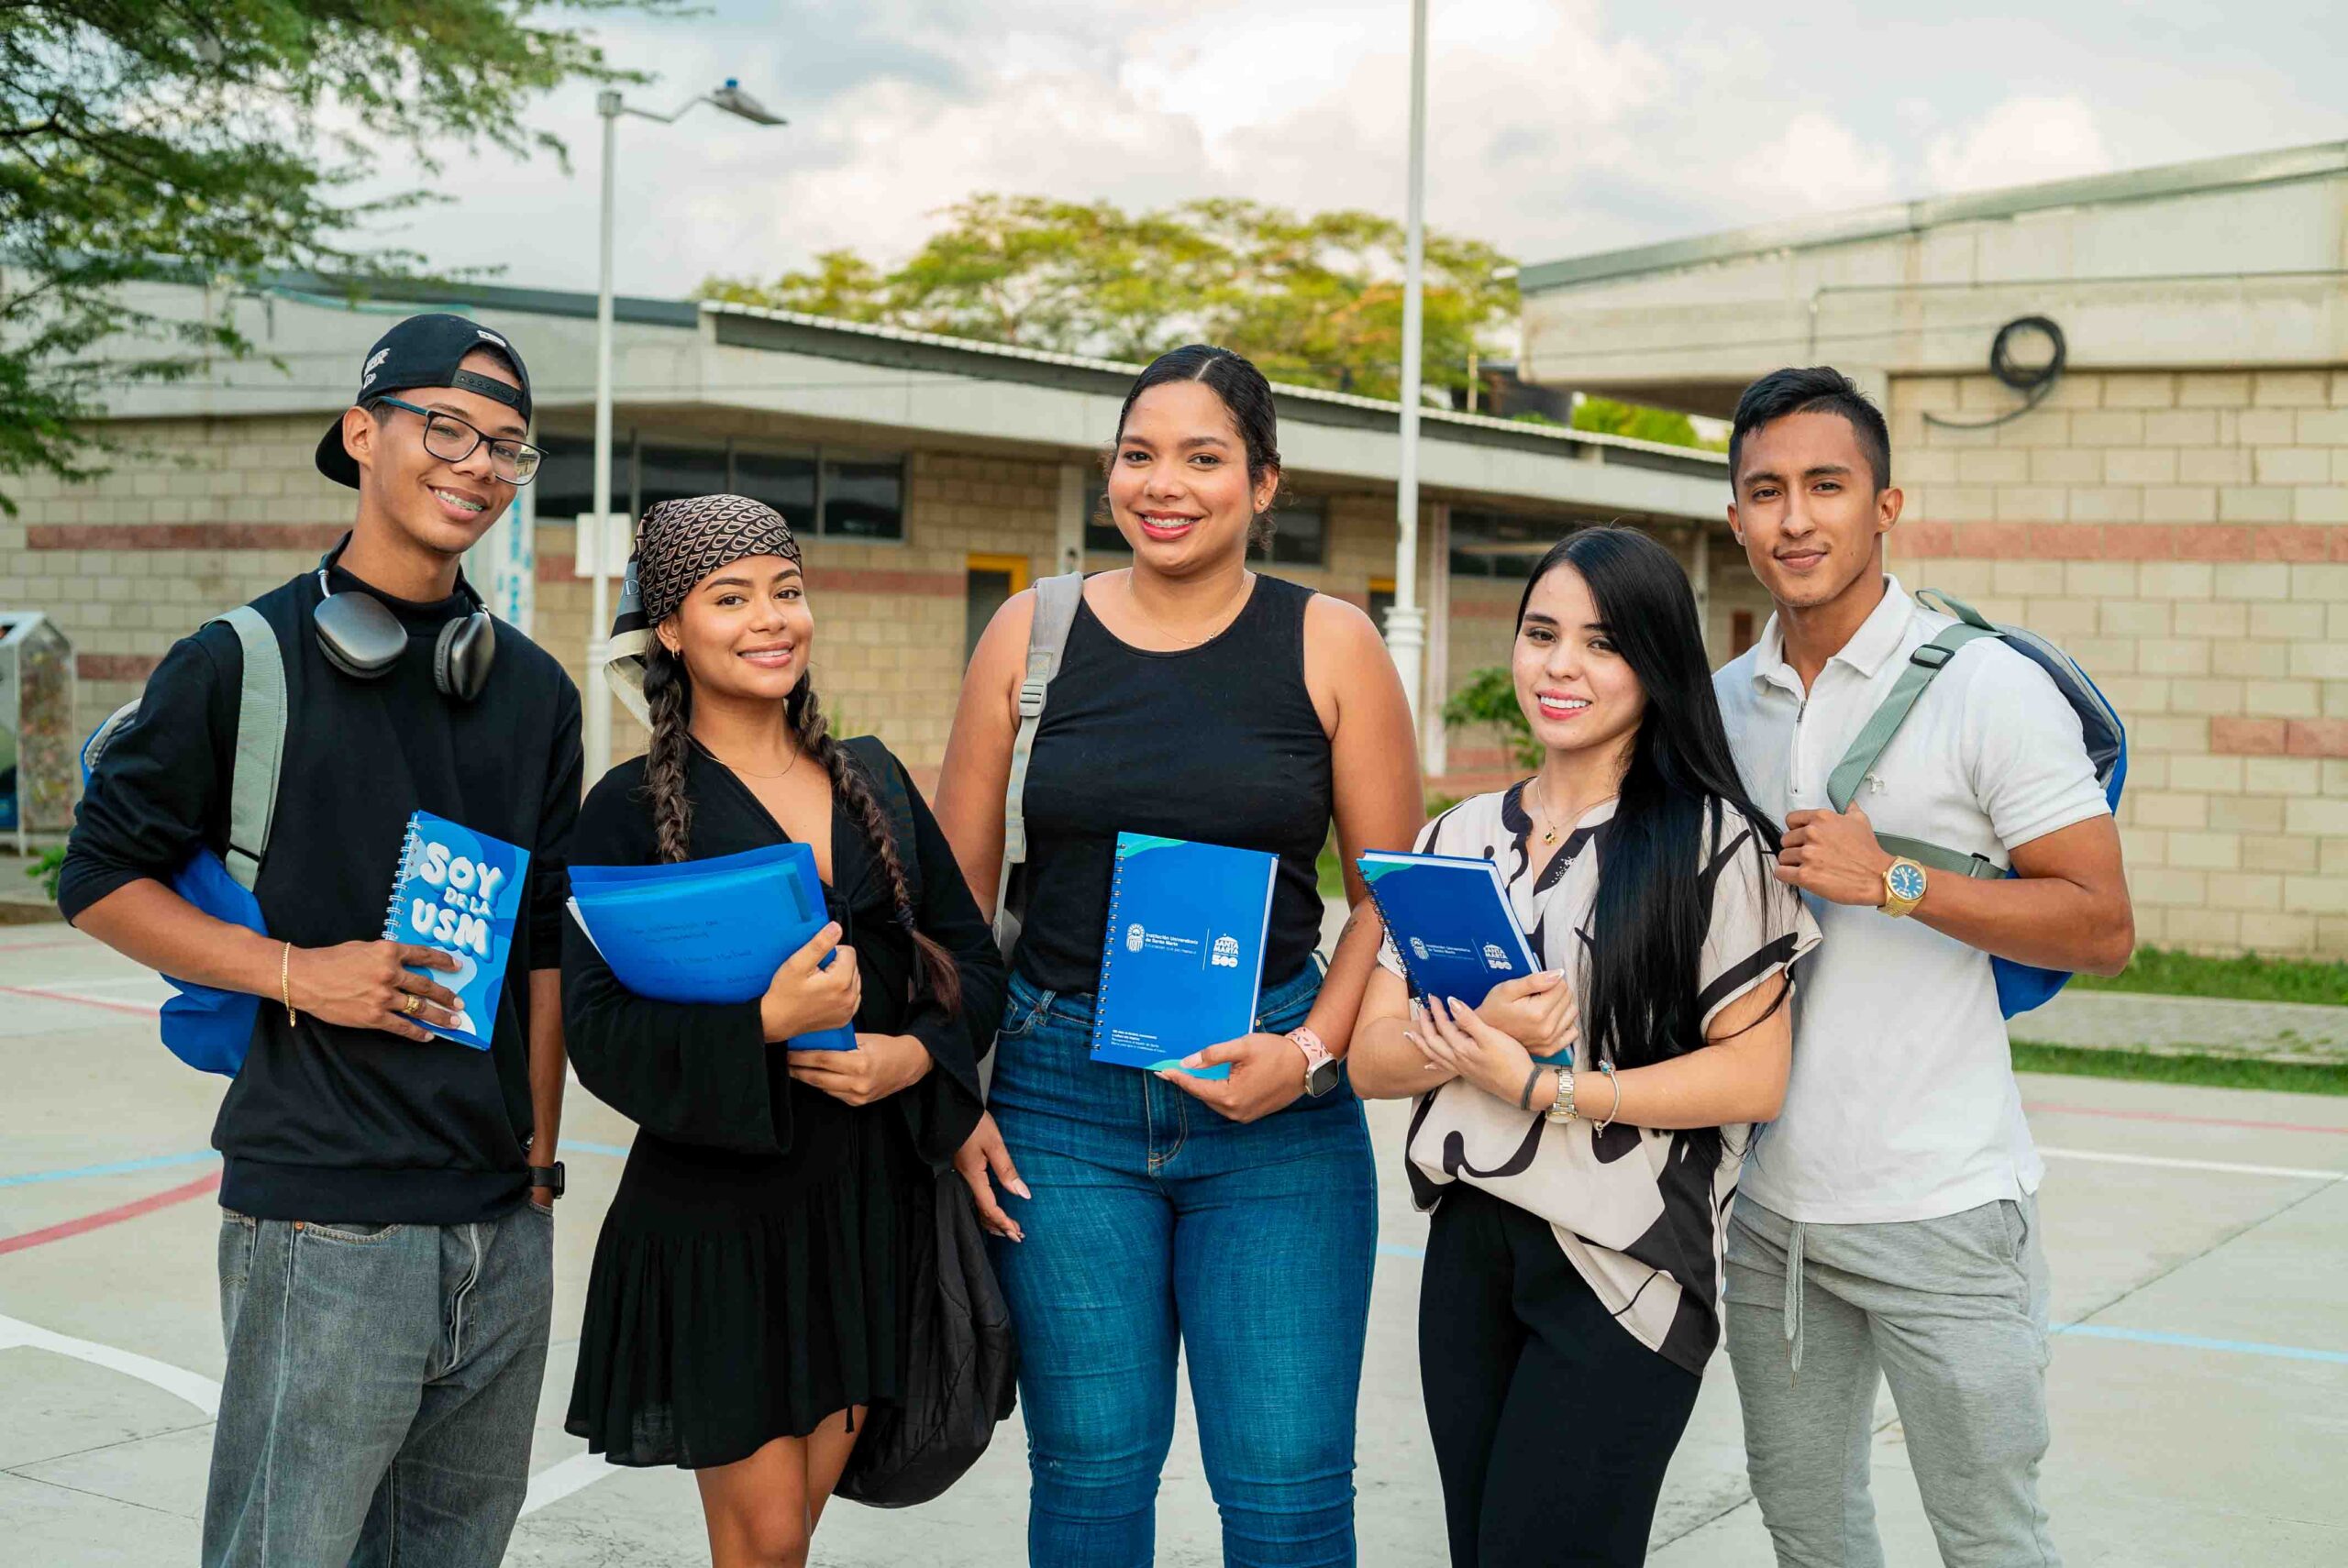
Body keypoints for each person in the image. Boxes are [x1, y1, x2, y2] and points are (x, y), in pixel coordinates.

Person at [58, 314, 580, 1567]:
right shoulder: (239, 660)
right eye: (445, 427)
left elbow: (547, 949)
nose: (477, 463)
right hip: (324, 1219)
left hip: (500, 1223)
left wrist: (542, 1168)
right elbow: (96, 879)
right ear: (362, 434)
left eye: (507, 445)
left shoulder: (534, 692)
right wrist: (298, 974)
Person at [933, 344, 1423, 1567]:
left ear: (1265, 482)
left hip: (1278, 1111)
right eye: (1139, 455)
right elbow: (948, 901)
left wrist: (1311, 1055)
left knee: (1288, 1495)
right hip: (1059, 1102)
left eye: (1204, 459)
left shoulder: (1330, 643)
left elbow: (1386, 897)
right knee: (1092, 1476)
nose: (1166, 485)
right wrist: (953, 1097)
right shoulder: (1029, 634)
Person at [1712, 367, 2134, 1568]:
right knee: (1810, 1532)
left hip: (1943, 1208)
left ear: (1885, 504)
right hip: (1766, 1212)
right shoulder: (1722, 701)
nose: (1796, 517)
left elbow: (2102, 924)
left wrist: (1895, 876)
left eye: (1826, 485)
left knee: (1990, 1539)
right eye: (1767, 490)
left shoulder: (1988, 686)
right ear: (1736, 516)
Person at [1348, 526, 1821, 1568]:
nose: (1560, 665)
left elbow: (1756, 1072)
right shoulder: (1453, 839)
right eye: (1540, 634)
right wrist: (1476, 1046)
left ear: (1654, 665)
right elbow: (1371, 1060)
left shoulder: (1712, 846)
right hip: (1471, 1248)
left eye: (1600, 643)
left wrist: (1552, 1088)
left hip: (1627, 1266)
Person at [559, 493, 999, 1568]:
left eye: (787, 592)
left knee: (790, 1539)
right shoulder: (625, 810)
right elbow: (598, 1030)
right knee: (759, 1546)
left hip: (860, 1214)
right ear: (668, 628)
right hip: (723, 1223)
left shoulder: (876, 786)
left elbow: (974, 967)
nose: (771, 620)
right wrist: (762, 1023)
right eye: (730, 598)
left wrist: (914, 1061)